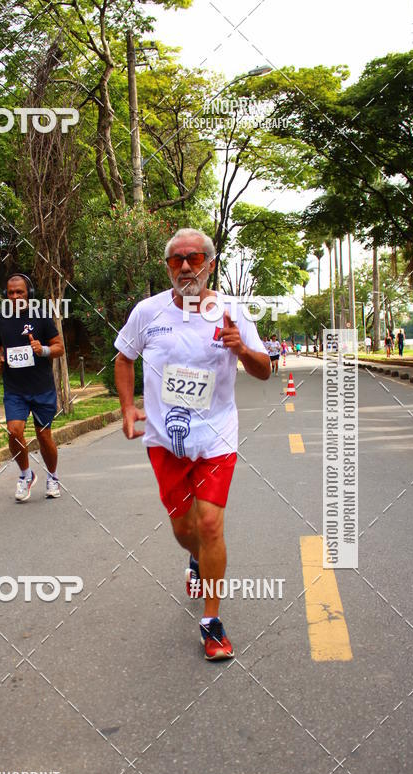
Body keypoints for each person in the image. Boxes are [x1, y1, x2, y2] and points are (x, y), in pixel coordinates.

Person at [114, 228, 270, 660]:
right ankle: (198, 561)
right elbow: (124, 359)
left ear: (210, 264)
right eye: (176, 260)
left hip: (216, 437)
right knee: (185, 530)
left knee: (210, 525)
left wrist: (242, 350)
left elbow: (263, 370)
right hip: (165, 441)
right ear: (167, 267)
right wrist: (127, 408)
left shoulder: (232, 312)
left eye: (195, 258)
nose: (185, 267)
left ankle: (211, 621)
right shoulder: (148, 312)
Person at [0, 273, 65, 501]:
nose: (15, 296)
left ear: (29, 293)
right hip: (15, 389)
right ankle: (25, 475)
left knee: (44, 435)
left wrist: (43, 350)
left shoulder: (41, 316)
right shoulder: (1, 318)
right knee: (14, 432)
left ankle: (52, 477)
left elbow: (59, 347)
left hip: (42, 387)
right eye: (11, 293)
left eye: (19, 292)